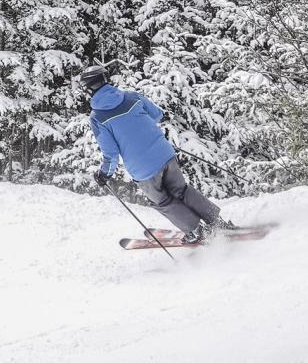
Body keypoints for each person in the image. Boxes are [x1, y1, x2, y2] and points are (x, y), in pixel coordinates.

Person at [81, 64, 235, 243]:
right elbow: (157, 115)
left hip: (143, 169)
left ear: (88, 89)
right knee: (182, 190)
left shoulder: (97, 117)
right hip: (164, 153)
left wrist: (104, 174)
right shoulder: (132, 96)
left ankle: (195, 231)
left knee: (162, 201)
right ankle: (216, 222)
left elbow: (111, 153)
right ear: (106, 79)